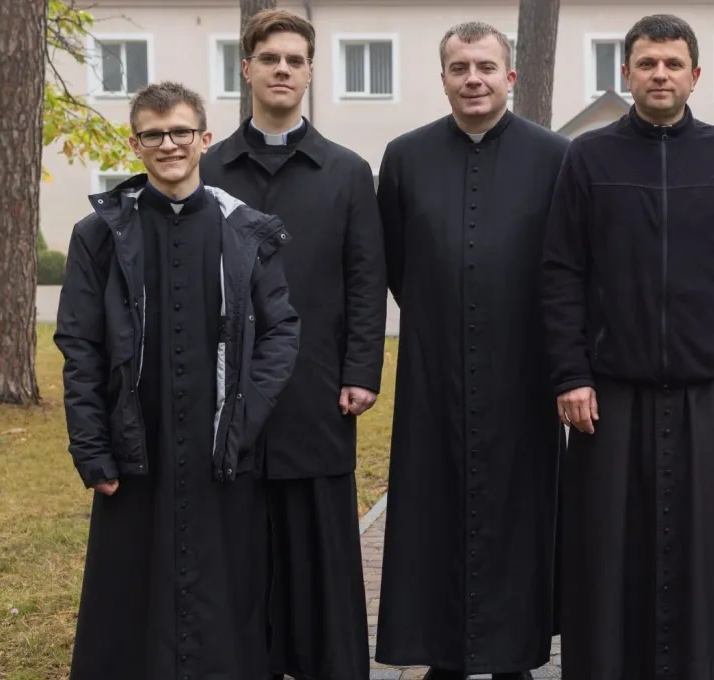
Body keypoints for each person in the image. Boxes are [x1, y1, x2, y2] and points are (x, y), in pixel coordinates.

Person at [541, 13, 714, 680]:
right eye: (648, 64)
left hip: (708, 393)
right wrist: (569, 374)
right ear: (627, 73)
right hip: (608, 394)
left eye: (673, 64)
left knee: (709, 556)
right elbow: (562, 272)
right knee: (607, 556)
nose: (661, 75)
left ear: (696, 75)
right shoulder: (588, 157)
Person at [57, 81, 300, 679]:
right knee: (130, 600)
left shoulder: (245, 230)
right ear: (135, 143)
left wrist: (243, 422)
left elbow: (281, 331)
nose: (169, 144)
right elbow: (80, 347)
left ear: (204, 138)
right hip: (136, 443)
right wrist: (92, 450)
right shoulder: (99, 234)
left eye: (181, 132)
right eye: (154, 134)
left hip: (220, 444)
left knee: (225, 597)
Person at [373, 21, 568, 680]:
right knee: (434, 514)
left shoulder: (555, 156)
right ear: (444, 78)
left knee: (520, 514)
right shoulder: (404, 156)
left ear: (510, 77)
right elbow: (395, 261)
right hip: (434, 371)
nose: (474, 79)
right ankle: (444, 657)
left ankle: (516, 656)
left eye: (486, 67)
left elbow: (567, 261)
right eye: (460, 68)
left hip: (526, 371)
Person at [199, 11, 386, 679]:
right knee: (237, 542)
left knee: (317, 547)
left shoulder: (345, 171)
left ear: (310, 73)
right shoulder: (207, 167)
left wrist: (362, 368)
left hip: (317, 389)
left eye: (295, 59)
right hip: (227, 392)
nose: (282, 69)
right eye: (269, 58)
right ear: (246, 69)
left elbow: (367, 279)